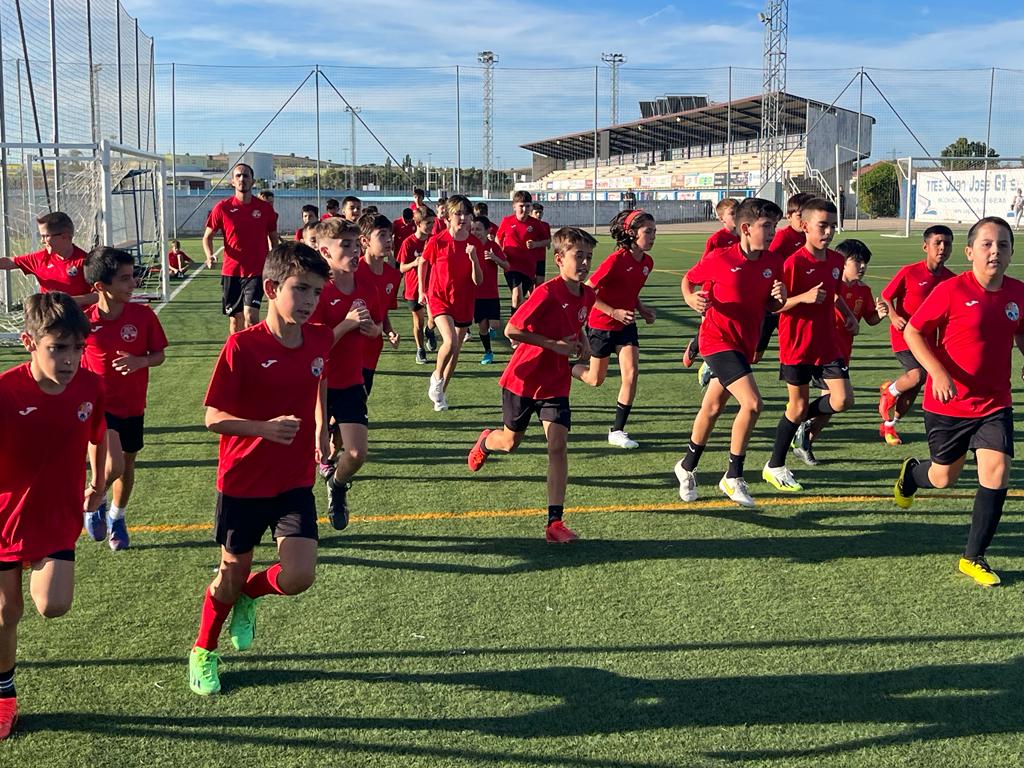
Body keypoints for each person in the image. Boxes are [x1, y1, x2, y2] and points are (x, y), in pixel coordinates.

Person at [188, 241, 333, 696]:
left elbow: (318, 376)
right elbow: (212, 416)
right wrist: (261, 429)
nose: (310, 301)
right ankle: (203, 650)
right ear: (271, 288)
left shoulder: (319, 338)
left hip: (293, 481)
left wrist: (321, 427)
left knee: (298, 576)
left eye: (316, 292)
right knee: (228, 576)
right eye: (301, 289)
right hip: (243, 484)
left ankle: (253, 592)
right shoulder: (242, 346)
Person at [893, 216, 1024, 587]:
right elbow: (915, 331)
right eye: (986, 244)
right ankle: (912, 474)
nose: (994, 251)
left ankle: (974, 557)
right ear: (970, 252)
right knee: (943, 476)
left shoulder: (1019, 293)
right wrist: (937, 372)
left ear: (1012, 253)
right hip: (948, 404)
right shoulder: (951, 290)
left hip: (995, 403)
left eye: (1002, 244)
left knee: (997, 473)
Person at [0, 292, 107, 736]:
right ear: (29, 341)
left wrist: (99, 483)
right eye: (58, 348)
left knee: (53, 605)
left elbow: (99, 436)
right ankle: (4, 695)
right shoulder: (5, 391)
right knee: (6, 612)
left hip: (56, 516)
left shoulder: (89, 386)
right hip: (4, 519)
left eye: (77, 348)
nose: (69, 360)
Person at [467, 227, 597, 543]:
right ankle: (486, 441)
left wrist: (583, 342)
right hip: (522, 380)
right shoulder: (546, 292)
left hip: (556, 383)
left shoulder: (588, 294)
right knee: (511, 443)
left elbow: (576, 323)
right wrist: (554, 345)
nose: (584, 263)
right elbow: (512, 330)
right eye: (578, 256)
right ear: (559, 259)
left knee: (558, 446)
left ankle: (555, 522)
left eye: (589, 257)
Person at [675, 197, 786, 506]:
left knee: (711, 409)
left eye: (775, 226)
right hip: (716, 340)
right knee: (752, 403)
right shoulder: (720, 258)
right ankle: (733, 476)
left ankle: (686, 467)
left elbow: (772, 306)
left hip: (744, 344)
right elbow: (689, 279)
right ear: (746, 228)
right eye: (767, 226)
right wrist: (690, 299)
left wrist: (781, 296)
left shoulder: (773, 263)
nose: (772, 232)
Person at [762, 198, 857, 493]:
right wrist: (801, 299)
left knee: (842, 400)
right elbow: (774, 307)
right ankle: (774, 465)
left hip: (827, 341)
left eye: (832, 226)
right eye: (822, 226)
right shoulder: (793, 263)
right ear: (804, 226)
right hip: (797, 344)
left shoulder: (836, 261)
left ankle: (801, 423)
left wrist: (848, 314)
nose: (828, 232)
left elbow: (835, 293)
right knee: (798, 405)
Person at [81, 247, 168, 551]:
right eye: (125, 279)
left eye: (133, 277)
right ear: (100, 287)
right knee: (114, 464)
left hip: (133, 404)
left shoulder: (142, 315)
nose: (133, 284)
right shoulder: (84, 322)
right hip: (99, 407)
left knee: (127, 464)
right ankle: (95, 497)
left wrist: (139, 362)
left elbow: (158, 355)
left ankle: (117, 515)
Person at [309, 218, 380, 531]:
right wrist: (320, 425)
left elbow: (377, 326)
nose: (354, 251)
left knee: (356, 453)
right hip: (316, 384)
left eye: (356, 243)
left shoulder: (367, 286)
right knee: (305, 454)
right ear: (325, 251)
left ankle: (337, 484)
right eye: (345, 245)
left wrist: (372, 329)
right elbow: (313, 351)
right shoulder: (317, 292)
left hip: (351, 380)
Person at [791, 239, 886, 466]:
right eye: (857, 261)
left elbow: (870, 319)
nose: (862, 266)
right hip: (817, 351)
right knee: (839, 399)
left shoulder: (864, 290)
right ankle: (799, 422)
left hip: (842, 354)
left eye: (865, 262)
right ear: (841, 263)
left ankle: (804, 439)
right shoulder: (830, 286)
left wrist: (880, 315)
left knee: (834, 403)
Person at [574, 209, 657, 449]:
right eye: (647, 231)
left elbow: (630, 291)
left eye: (654, 231)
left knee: (631, 374)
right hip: (601, 325)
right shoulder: (615, 260)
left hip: (626, 326)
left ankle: (617, 430)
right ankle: (569, 367)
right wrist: (613, 312)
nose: (652, 236)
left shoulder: (647, 263)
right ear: (631, 233)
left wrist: (640, 308)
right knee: (594, 379)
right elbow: (588, 291)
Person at [877, 226, 956, 446]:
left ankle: (889, 426)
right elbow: (885, 295)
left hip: (928, 341)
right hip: (904, 335)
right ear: (925, 247)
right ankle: (890, 392)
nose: (942, 248)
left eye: (947, 244)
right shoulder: (909, 271)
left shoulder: (951, 280)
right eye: (937, 243)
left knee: (915, 386)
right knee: (919, 374)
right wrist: (893, 316)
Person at [418, 196, 483, 411]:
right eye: (458, 213)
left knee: (456, 350)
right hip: (439, 298)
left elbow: (478, 280)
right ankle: (436, 378)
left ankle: (441, 393)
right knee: (451, 342)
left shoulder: (474, 244)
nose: (462, 218)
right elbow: (424, 263)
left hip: (463, 300)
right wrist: (422, 290)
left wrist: (474, 259)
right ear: (448, 215)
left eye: (466, 213)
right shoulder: (438, 240)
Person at [203, 163, 280, 334]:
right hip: (231, 272)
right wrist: (209, 255)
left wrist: (275, 264)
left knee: (251, 317)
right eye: (238, 176)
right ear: (232, 181)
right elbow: (207, 237)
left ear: (253, 181)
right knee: (235, 321)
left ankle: (254, 355)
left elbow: (274, 239)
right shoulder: (222, 208)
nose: (242, 179)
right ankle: (238, 355)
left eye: (246, 176)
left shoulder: (265, 209)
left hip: (257, 272)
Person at [751, 192, 813, 365]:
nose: (804, 220)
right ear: (789, 216)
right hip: (774, 300)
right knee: (755, 355)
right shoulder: (783, 237)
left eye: (808, 215)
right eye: (800, 215)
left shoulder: (811, 237)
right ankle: (714, 366)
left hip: (793, 301)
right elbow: (768, 263)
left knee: (798, 345)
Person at [683, 198, 739, 369]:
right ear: (722, 218)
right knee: (710, 330)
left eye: (738, 212)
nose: (736, 216)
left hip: (732, 290)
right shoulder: (717, 239)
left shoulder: (745, 237)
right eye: (732, 214)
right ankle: (697, 349)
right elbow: (705, 266)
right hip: (712, 291)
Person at [0, 212, 96, 306]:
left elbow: (98, 295)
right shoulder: (40, 259)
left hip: (78, 320)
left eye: (45, 236)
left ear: (65, 236)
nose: (42, 241)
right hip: (49, 320)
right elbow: (10, 262)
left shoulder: (86, 261)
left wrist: (66, 301)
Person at [357, 213, 401, 396]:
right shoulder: (353, 273)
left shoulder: (393, 276)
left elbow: (381, 312)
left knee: (358, 404)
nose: (388, 239)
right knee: (347, 410)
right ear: (365, 241)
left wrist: (388, 331)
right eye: (381, 235)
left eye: (389, 234)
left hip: (372, 351)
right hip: (350, 352)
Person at [398, 206, 437, 364]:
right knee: (418, 322)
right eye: (428, 223)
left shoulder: (434, 240)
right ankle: (420, 349)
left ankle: (430, 331)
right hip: (414, 289)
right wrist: (415, 262)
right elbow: (401, 267)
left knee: (433, 318)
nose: (431, 226)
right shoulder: (408, 243)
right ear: (418, 223)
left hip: (433, 286)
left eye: (433, 223)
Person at [470, 215, 510, 365]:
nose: (475, 232)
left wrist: (495, 258)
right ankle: (488, 352)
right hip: (476, 294)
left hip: (492, 293)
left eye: (479, 229)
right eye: (473, 229)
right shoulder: (469, 247)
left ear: (488, 230)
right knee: (482, 326)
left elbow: (507, 266)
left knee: (495, 325)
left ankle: (490, 332)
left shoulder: (493, 247)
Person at [496, 191, 538, 312]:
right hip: (511, 265)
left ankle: (520, 321)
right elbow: (498, 238)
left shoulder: (536, 224)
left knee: (521, 299)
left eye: (528, 206)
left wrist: (536, 244)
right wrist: (500, 252)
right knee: (517, 295)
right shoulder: (507, 221)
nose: (524, 209)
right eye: (521, 206)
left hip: (528, 267)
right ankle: (513, 325)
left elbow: (546, 241)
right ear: (514, 206)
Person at [528, 203, 552, 287]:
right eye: (536, 212)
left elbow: (548, 241)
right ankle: (531, 299)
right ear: (531, 213)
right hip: (529, 258)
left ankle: (537, 299)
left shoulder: (545, 225)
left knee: (540, 283)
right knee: (529, 283)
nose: (539, 215)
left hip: (541, 258)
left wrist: (537, 244)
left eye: (540, 212)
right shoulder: (528, 225)